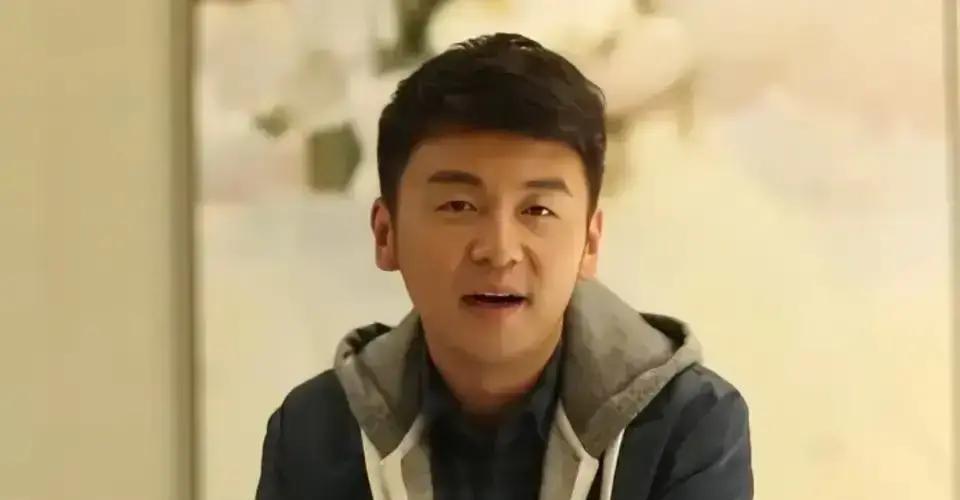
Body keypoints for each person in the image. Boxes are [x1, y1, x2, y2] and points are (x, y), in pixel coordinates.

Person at [255, 33, 753, 500]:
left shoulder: (689, 424)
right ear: (387, 235)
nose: (499, 250)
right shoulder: (314, 433)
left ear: (589, 242)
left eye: (538, 210)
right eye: (458, 206)